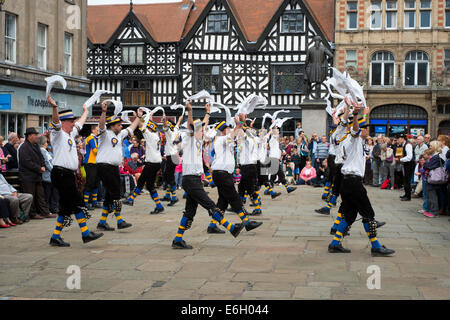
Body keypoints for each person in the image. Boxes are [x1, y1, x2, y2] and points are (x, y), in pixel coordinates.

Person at [171, 102, 245, 249]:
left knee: (190, 212)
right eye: (201, 130)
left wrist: (208, 112)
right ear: (194, 131)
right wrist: (190, 110)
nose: (203, 132)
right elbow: (192, 124)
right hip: (190, 179)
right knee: (211, 206)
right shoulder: (189, 139)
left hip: (194, 179)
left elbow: (204, 124)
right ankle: (231, 228)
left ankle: (177, 239)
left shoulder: (198, 140)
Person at [327, 100, 394, 257]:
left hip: (346, 181)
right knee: (368, 214)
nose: (367, 131)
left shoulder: (338, 138)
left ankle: (335, 243)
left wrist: (354, 112)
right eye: (366, 128)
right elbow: (355, 128)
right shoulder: (353, 137)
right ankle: (376, 246)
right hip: (353, 182)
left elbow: (345, 124)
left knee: (349, 215)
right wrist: (356, 114)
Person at [46, 96, 103, 247]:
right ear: (64, 122)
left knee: (65, 208)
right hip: (61, 173)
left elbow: (80, 123)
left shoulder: (70, 134)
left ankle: (55, 237)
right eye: (71, 121)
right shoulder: (57, 134)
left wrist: (86, 111)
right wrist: (54, 108)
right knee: (78, 201)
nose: (73, 123)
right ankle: (85, 233)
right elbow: (56, 122)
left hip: (67, 174)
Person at [207, 120, 262, 234]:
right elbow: (232, 135)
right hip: (221, 173)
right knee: (234, 198)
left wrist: (240, 126)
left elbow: (236, 136)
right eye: (228, 128)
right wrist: (238, 125)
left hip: (223, 173)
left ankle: (212, 225)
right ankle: (247, 223)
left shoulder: (226, 140)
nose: (230, 130)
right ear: (223, 131)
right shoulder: (221, 139)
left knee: (222, 201)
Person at [95, 101, 142, 231]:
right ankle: (119, 220)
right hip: (104, 166)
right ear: (112, 126)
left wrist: (138, 117)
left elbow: (131, 128)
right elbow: (101, 125)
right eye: (119, 125)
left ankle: (102, 222)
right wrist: (104, 112)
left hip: (113, 167)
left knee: (111, 195)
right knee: (116, 193)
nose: (121, 126)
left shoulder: (119, 134)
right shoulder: (105, 134)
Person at [124, 113, 166, 214]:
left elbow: (140, 126)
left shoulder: (150, 135)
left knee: (142, 181)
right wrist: (149, 117)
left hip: (151, 163)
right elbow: (149, 125)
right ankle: (159, 206)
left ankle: (131, 200)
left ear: (149, 128)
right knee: (149, 185)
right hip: (156, 163)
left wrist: (138, 116)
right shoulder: (156, 136)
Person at [19, 128, 54, 219]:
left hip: (37, 175)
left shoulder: (35, 146)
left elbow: (42, 157)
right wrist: (39, 168)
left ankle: (44, 212)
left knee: (40, 195)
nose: (36, 137)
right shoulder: (24, 147)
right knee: (31, 195)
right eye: (35, 135)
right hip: (28, 176)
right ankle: (32, 214)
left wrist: (43, 166)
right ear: (29, 136)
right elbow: (26, 162)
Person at [161, 115, 183, 206]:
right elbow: (177, 125)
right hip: (174, 156)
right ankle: (167, 195)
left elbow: (166, 127)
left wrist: (164, 121)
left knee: (169, 176)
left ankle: (173, 197)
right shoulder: (176, 130)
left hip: (172, 156)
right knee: (168, 175)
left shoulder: (170, 132)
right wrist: (180, 119)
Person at [38, 136, 59, 215]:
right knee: (48, 193)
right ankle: (48, 209)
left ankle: (53, 208)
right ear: (43, 143)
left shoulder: (45, 151)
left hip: (50, 175)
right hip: (47, 176)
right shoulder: (42, 151)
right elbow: (47, 163)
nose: (47, 143)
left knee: (53, 192)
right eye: (46, 142)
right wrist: (54, 171)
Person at [83, 125, 102, 210]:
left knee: (96, 183)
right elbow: (95, 150)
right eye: (97, 130)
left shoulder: (96, 138)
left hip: (96, 163)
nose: (99, 132)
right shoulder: (90, 138)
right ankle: (85, 203)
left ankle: (94, 202)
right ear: (93, 130)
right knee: (90, 183)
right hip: (90, 163)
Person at [397, 134, 415, 201]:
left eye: (399, 138)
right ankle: (406, 194)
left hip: (409, 164)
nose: (398, 140)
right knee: (405, 179)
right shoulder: (403, 144)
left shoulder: (408, 145)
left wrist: (400, 159)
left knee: (407, 180)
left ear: (402, 138)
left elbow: (409, 157)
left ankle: (408, 196)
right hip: (406, 164)